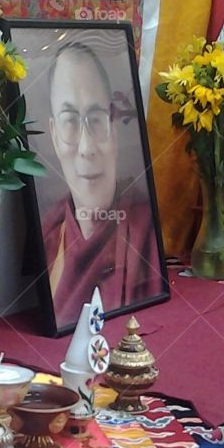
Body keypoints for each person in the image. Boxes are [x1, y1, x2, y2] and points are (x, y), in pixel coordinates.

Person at [41, 41, 164, 328]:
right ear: (54, 136)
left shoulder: (143, 230)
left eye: (96, 120)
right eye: (70, 122)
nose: (86, 147)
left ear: (114, 130)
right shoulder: (47, 239)